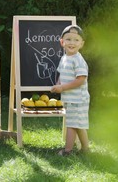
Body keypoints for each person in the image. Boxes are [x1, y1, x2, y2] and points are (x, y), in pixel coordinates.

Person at [51, 25, 90, 156]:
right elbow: (61, 75)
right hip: (71, 98)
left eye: (76, 40)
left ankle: (67, 151)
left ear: (81, 44)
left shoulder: (78, 60)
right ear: (62, 42)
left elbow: (81, 80)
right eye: (68, 39)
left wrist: (62, 88)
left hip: (78, 99)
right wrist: (58, 84)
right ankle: (85, 149)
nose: (72, 43)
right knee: (78, 125)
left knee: (72, 125)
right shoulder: (64, 58)